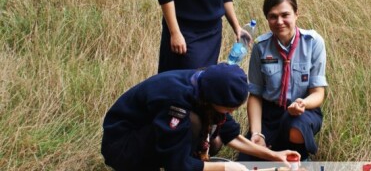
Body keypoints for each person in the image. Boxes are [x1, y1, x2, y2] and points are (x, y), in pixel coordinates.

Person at [101, 63, 299, 171]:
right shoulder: (176, 102)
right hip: (123, 147)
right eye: (228, 109)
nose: (230, 113)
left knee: (214, 139)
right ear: (213, 99)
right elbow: (176, 165)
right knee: (195, 123)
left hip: (148, 134)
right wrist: (227, 168)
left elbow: (230, 135)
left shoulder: (206, 85)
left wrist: (274, 155)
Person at [238, 0, 328, 162]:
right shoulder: (260, 47)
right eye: (273, 16)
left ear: (296, 14)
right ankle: (273, 149)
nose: (279, 22)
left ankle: (299, 158)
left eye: (285, 15)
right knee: (245, 162)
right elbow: (255, 95)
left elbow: (318, 93)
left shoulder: (313, 42)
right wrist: (257, 133)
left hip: (303, 111)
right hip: (269, 112)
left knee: (296, 127)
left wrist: (303, 103)